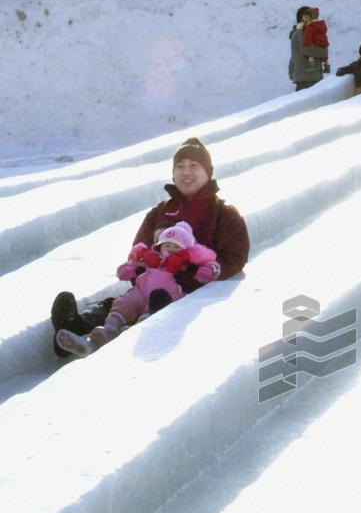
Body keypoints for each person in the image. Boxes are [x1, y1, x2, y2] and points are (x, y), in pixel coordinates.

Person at [51, 137, 249, 356]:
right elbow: (140, 246)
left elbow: (235, 256)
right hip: (153, 279)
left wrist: (198, 274)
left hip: (188, 291)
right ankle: (76, 326)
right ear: (173, 173)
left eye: (194, 166)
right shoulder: (161, 211)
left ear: (208, 171)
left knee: (155, 304)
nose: (186, 172)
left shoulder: (224, 213)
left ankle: (125, 333)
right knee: (122, 303)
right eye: (180, 167)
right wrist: (139, 267)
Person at [55, 221, 218, 358]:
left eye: (176, 246)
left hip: (167, 295)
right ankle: (107, 331)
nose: (170, 249)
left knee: (155, 305)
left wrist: (207, 271)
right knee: (124, 303)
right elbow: (133, 264)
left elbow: (212, 265)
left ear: (187, 250)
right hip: (141, 291)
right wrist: (128, 269)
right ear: (159, 247)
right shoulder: (152, 259)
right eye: (167, 245)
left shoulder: (186, 263)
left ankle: (132, 331)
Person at [289, 5, 329, 90]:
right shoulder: (299, 33)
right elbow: (308, 50)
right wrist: (324, 51)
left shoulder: (308, 32)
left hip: (312, 76)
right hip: (306, 78)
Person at [302, 7, 331, 74]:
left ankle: (312, 67)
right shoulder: (322, 23)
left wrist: (305, 43)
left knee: (310, 55)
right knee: (325, 57)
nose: (305, 19)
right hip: (324, 43)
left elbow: (308, 36)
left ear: (311, 17)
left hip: (316, 43)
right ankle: (327, 67)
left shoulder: (310, 26)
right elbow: (325, 30)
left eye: (306, 17)